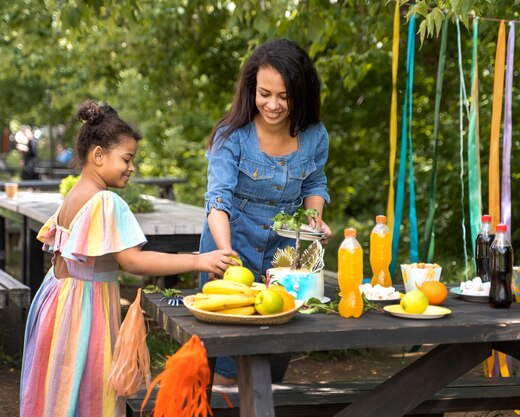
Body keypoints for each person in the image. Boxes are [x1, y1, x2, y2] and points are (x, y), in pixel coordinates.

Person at [19, 100, 239, 417]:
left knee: (62, 380)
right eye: (127, 158)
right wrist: (199, 261)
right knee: (92, 385)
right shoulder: (106, 201)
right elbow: (134, 262)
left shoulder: (74, 194)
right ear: (97, 156)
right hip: (85, 310)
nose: (132, 167)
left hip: (57, 300)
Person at [199, 39, 332, 384]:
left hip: (287, 256)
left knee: (274, 363)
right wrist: (225, 254)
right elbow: (217, 201)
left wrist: (313, 222)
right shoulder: (231, 137)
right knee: (228, 368)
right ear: (251, 90)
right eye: (264, 93)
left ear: (301, 93)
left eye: (284, 96)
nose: (273, 104)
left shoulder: (315, 135)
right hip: (231, 246)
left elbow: (315, 185)